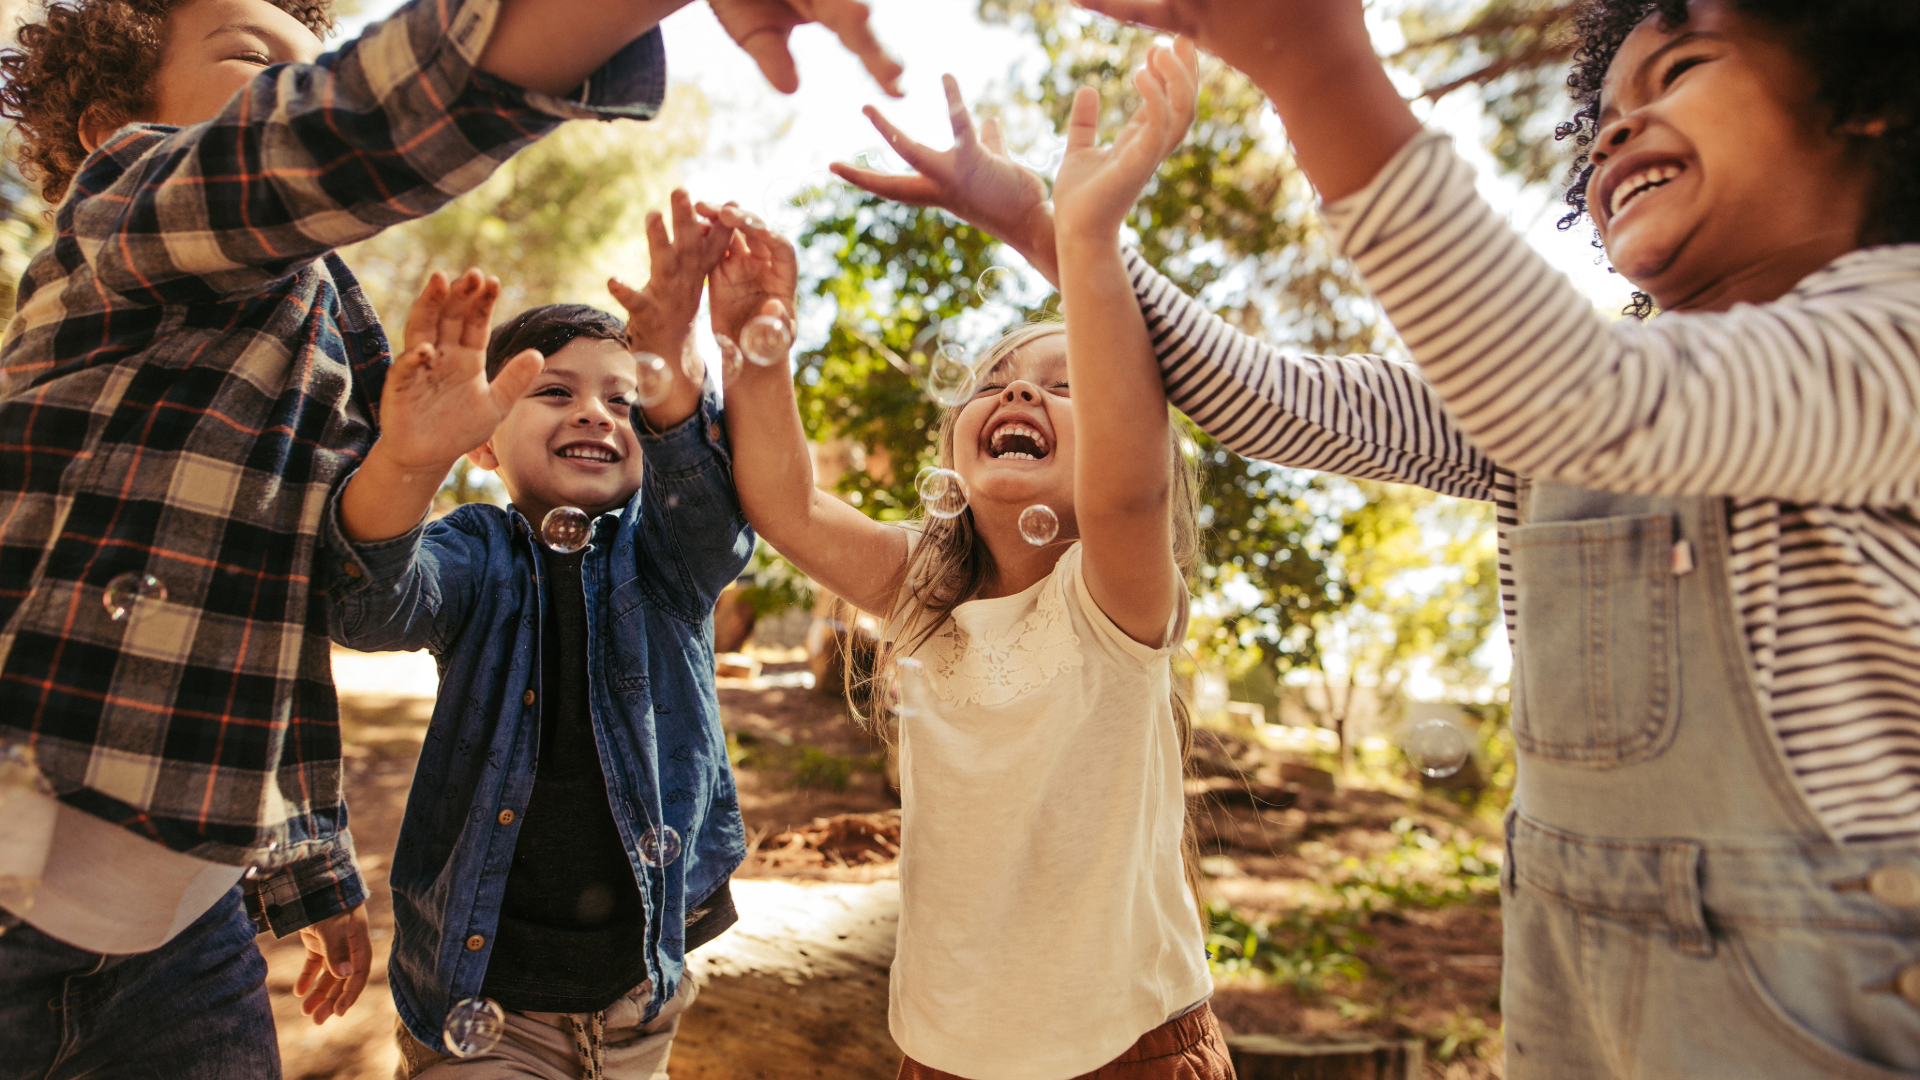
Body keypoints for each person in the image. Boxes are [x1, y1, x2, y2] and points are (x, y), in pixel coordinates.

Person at [835, 0, 1920, 1076]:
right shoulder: (1540, 404)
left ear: (1862, 96)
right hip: (1575, 976)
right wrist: (1055, 227)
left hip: (1823, 998)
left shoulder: (1894, 337)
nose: (1617, 129)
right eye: (1606, 112)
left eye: (1678, 70)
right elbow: (1271, 399)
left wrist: (1318, 68)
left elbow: (1599, 398)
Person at [0, 0, 896, 1074]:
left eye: (312, 62)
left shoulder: (333, 322)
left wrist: (314, 869)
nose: (296, 83)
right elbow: (374, 590)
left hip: (186, 929)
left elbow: (273, 617)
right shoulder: (125, 213)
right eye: (256, 61)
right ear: (109, 127)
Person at [711, 40, 1233, 1080]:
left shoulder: (1112, 596)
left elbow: (1127, 485)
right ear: (956, 441)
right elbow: (786, 503)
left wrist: (1081, 234)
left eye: (1066, 380)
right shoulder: (926, 594)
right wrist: (752, 348)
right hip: (943, 1052)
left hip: (1127, 1050)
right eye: (994, 378)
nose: (1019, 392)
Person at [325, 189, 750, 1078]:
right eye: (553, 391)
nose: (597, 413)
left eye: (625, 402)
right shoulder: (478, 552)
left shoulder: (665, 558)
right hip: (484, 995)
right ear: (483, 443)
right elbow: (370, 606)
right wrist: (408, 459)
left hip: (641, 994)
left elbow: (717, 523)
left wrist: (672, 368)